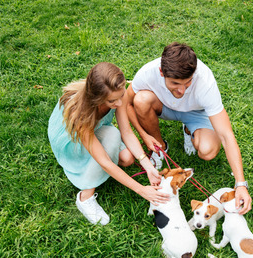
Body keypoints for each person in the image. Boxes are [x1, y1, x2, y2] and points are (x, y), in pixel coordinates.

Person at [125, 42, 252, 215]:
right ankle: (160, 147)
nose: (182, 90)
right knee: (140, 100)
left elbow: (226, 135)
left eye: (188, 82)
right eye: (175, 83)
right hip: (164, 107)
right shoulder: (147, 73)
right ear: (162, 72)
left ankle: (189, 129)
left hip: (196, 113)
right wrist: (145, 136)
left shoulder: (205, 81)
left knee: (207, 151)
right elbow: (126, 104)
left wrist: (240, 184)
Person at [48, 62, 169, 225]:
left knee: (126, 158)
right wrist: (142, 190)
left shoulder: (118, 94)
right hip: (70, 139)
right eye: (113, 101)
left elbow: (126, 131)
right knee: (112, 137)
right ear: (97, 99)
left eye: (121, 96)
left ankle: (102, 159)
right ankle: (85, 198)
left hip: (97, 127)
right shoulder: (80, 113)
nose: (120, 104)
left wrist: (147, 164)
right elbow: (105, 162)